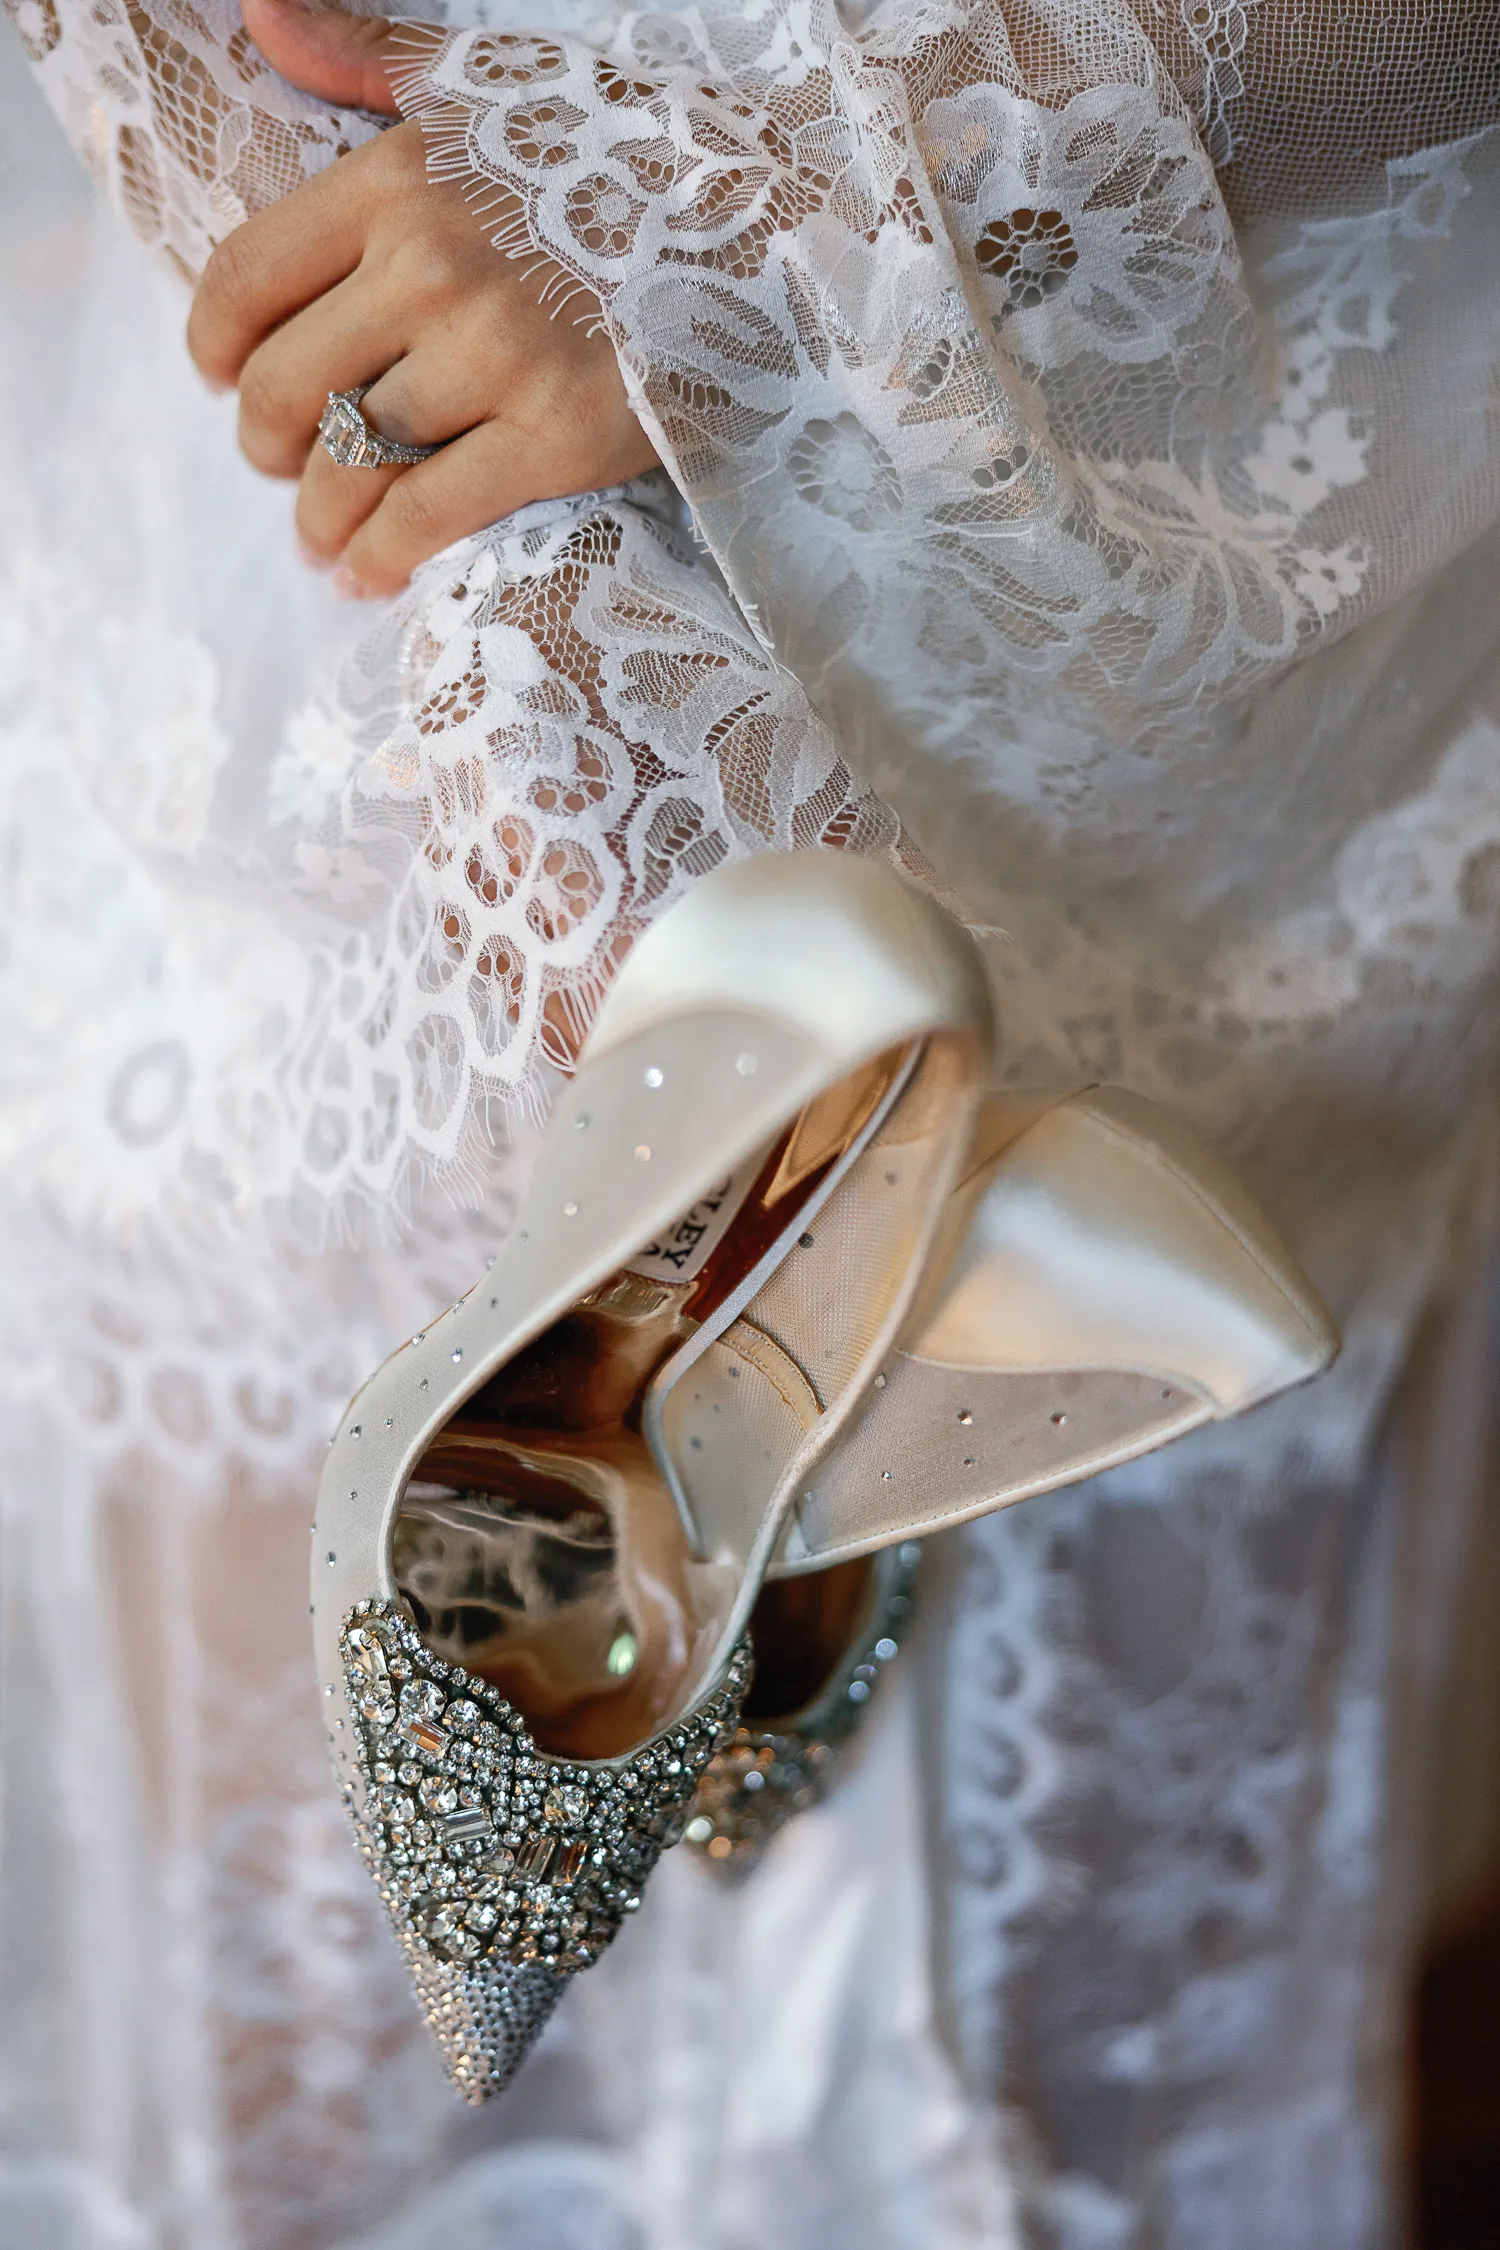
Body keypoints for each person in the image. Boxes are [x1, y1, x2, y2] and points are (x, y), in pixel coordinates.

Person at [1, 0, 1497, 2241]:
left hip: (1132, 430)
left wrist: (741, 216)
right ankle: (773, 1079)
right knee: (302, 2059)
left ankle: (719, 1029)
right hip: (367, 554)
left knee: (1065, 1993)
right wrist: (498, 469)